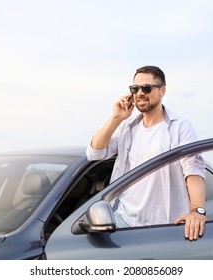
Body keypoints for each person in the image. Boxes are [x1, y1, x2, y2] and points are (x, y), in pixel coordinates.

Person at [86, 66, 206, 241]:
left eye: (146, 88)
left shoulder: (180, 127)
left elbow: (193, 169)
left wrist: (197, 211)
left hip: (167, 223)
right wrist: (116, 118)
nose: (139, 93)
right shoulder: (126, 127)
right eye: (135, 89)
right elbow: (94, 154)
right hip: (125, 221)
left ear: (162, 91)